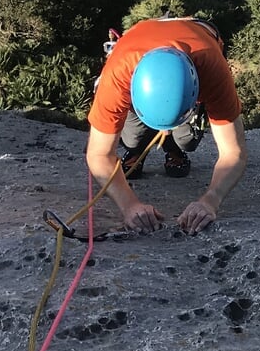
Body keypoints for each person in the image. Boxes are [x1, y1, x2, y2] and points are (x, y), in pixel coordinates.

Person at [86, 17, 248, 235]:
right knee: (132, 139)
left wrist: (210, 201)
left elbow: (234, 152)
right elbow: (98, 155)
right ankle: (137, 151)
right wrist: (130, 206)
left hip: (199, 38)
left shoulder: (212, 69)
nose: (165, 130)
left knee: (186, 140)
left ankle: (174, 147)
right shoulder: (118, 77)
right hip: (137, 43)